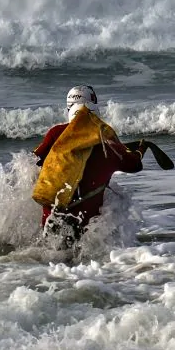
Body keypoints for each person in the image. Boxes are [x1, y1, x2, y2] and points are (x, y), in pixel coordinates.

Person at [31, 85, 147, 237]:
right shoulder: (106, 139)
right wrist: (141, 150)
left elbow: (33, 160)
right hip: (85, 228)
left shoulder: (55, 134)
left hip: (50, 223)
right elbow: (134, 165)